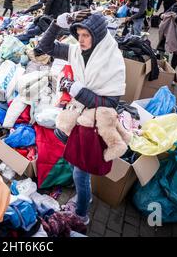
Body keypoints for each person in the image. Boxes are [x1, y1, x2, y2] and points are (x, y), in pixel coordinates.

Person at [36, 12, 126, 224]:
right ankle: (85, 198)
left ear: (98, 36)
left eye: (86, 35)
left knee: (80, 172)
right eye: (78, 34)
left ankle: (81, 215)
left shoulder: (112, 61)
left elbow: (111, 105)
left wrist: (77, 89)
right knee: (78, 166)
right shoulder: (77, 52)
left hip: (94, 125)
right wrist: (57, 25)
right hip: (79, 118)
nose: (81, 39)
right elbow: (45, 47)